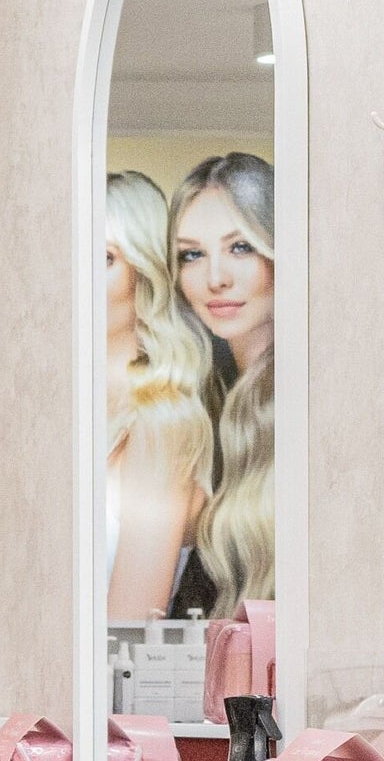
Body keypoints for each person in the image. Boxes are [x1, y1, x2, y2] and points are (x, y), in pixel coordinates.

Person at [101, 167, 215, 621]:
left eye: (103, 258)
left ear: (142, 274)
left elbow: (127, 626)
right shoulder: (59, 415)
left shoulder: (161, 424)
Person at [169, 152, 275, 619]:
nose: (215, 278)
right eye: (192, 254)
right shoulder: (200, 399)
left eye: (240, 247)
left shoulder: (312, 405)